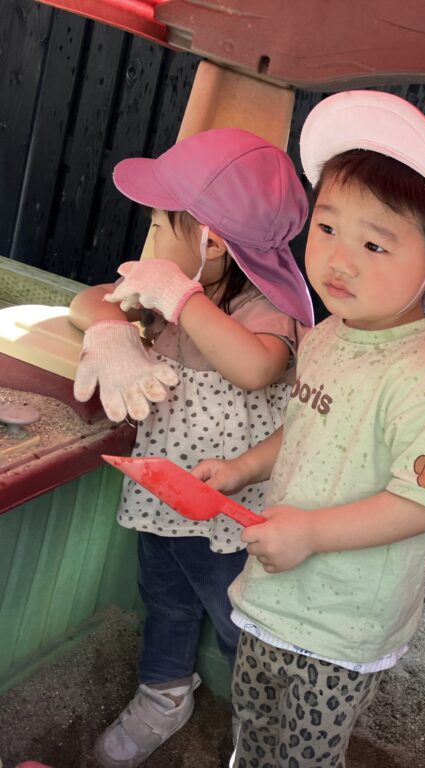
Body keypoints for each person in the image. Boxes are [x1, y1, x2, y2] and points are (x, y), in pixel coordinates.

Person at [190, 91, 425, 767]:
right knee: (252, 730)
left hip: (342, 624)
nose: (339, 260)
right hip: (273, 592)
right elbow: (306, 427)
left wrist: (311, 533)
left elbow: (424, 501)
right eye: (326, 228)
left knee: (306, 755)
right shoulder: (326, 335)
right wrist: (241, 469)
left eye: (375, 243)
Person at [69, 128, 314, 768]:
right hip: (163, 496)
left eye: (159, 226)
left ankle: (260, 727)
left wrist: (182, 299)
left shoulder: (266, 306)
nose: (149, 241)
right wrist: (112, 333)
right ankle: (164, 693)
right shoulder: (166, 289)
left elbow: (254, 368)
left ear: (214, 240)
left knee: (237, 622)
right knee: (165, 600)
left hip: (228, 512)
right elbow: (89, 299)